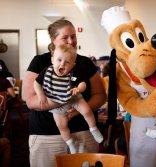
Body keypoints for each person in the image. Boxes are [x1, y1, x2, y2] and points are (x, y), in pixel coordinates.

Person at [24, 19, 106, 167]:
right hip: (47, 136)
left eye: (73, 36)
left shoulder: (85, 62)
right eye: (65, 37)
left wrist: (76, 111)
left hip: (83, 133)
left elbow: (100, 96)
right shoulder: (40, 62)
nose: (70, 41)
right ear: (53, 40)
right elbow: (31, 100)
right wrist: (66, 98)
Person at [33, 44, 103, 154]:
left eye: (67, 62)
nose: (62, 64)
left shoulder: (73, 73)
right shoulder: (47, 72)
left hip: (73, 97)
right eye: (59, 60)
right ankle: (70, 143)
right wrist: (40, 94)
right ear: (52, 60)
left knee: (87, 110)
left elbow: (83, 83)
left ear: (72, 65)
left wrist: (79, 89)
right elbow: (36, 83)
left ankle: (93, 128)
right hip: (57, 102)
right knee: (62, 125)